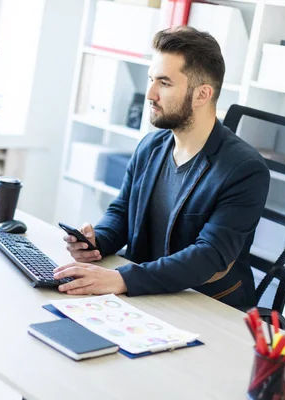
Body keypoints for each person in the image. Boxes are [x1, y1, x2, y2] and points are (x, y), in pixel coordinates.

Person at [53, 26, 270, 309]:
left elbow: (210, 256)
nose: (150, 94)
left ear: (202, 94)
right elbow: (122, 211)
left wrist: (121, 279)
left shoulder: (245, 169)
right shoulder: (152, 146)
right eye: (151, 80)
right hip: (147, 293)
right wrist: (97, 243)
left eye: (165, 83)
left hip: (203, 304)